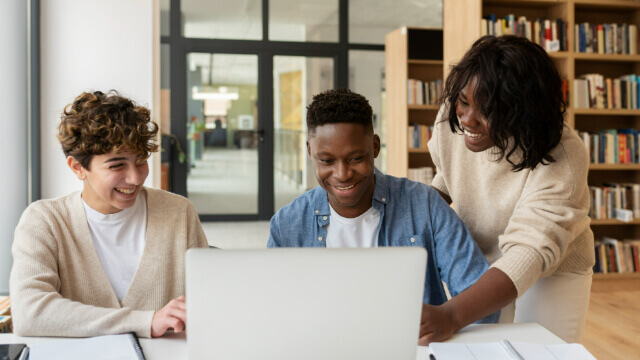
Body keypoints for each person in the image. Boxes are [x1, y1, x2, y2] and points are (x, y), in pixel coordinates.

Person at [268, 88, 511, 345]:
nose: (342, 174)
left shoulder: (425, 205)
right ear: (309, 150)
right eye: (326, 160)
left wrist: (447, 323)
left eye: (355, 158)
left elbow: (481, 301)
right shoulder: (287, 225)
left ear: (375, 146)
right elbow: (272, 315)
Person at [428, 35, 594, 343]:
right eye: (463, 101)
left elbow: (530, 251)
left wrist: (451, 315)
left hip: (553, 270)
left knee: (543, 353)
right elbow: (447, 177)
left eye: (488, 111)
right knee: (484, 349)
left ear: (523, 113)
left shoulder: (564, 156)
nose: (467, 119)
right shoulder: (453, 118)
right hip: (483, 262)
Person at [10, 91, 209, 338]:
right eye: (117, 165)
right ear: (78, 168)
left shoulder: (178, 212)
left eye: (140, 160)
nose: (135, 178)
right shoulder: (45, 220)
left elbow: (207, 300)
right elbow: (29, 313)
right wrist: (146, 321)